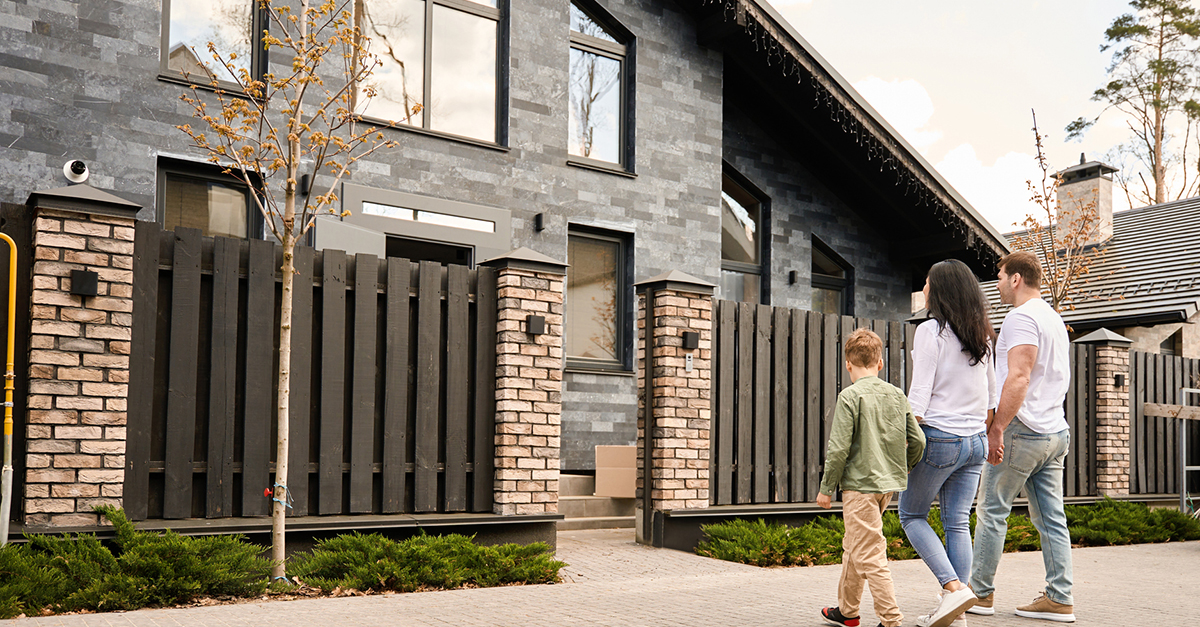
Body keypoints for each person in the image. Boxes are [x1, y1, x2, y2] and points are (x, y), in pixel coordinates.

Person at [969, 251, 1075, 623]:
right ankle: (1060, 598)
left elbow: (1019, 376)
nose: (996, 283)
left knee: (992, 511)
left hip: (1022, 430)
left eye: (999, 276)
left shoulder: (1021, 317)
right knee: (1052, 520)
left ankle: (979, 594)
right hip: (1055, 431)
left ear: (1016, 279)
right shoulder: (1054, 319)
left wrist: (997, 427)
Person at [899, 259, 995, 627]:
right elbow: (991, 394)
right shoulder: (982, 333)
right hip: (975, 442)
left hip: (940, 438)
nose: (923, 287)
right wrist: (986, 433)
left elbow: (919, 392)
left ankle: (953, 589)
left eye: (926, 282)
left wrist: (904, 438)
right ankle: (957, 612)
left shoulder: (931, 331)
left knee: (911, 515)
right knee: (956, 521)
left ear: (938, 290)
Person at [818, 328, 926, 627]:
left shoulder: (850, 396)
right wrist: (905, 466)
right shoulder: (896, 394)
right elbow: (918, 441)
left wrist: (827, 488)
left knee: (871, 553)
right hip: (885, 487)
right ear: (880, 363)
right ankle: (848, 611)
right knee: (856, 545)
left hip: (859, 487)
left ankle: (891, 621)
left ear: (848, 364)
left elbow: (839, 447)